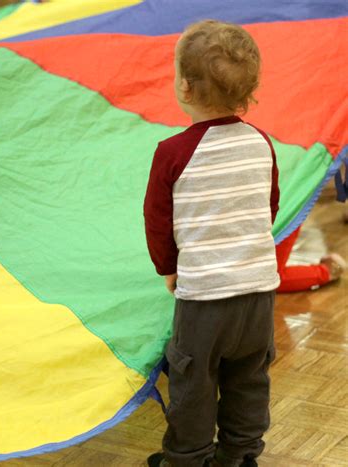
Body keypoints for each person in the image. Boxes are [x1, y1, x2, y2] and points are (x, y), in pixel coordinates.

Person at [143, 20, 280, 467]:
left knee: (194, 381)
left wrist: (169, 267)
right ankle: (240, 454)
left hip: (205, 300)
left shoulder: (172, 153)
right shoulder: (262, 144)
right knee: (248, 378)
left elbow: (159, 221)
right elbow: (268, 206)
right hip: (258, 293)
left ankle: (187, 459)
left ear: (184, 85)